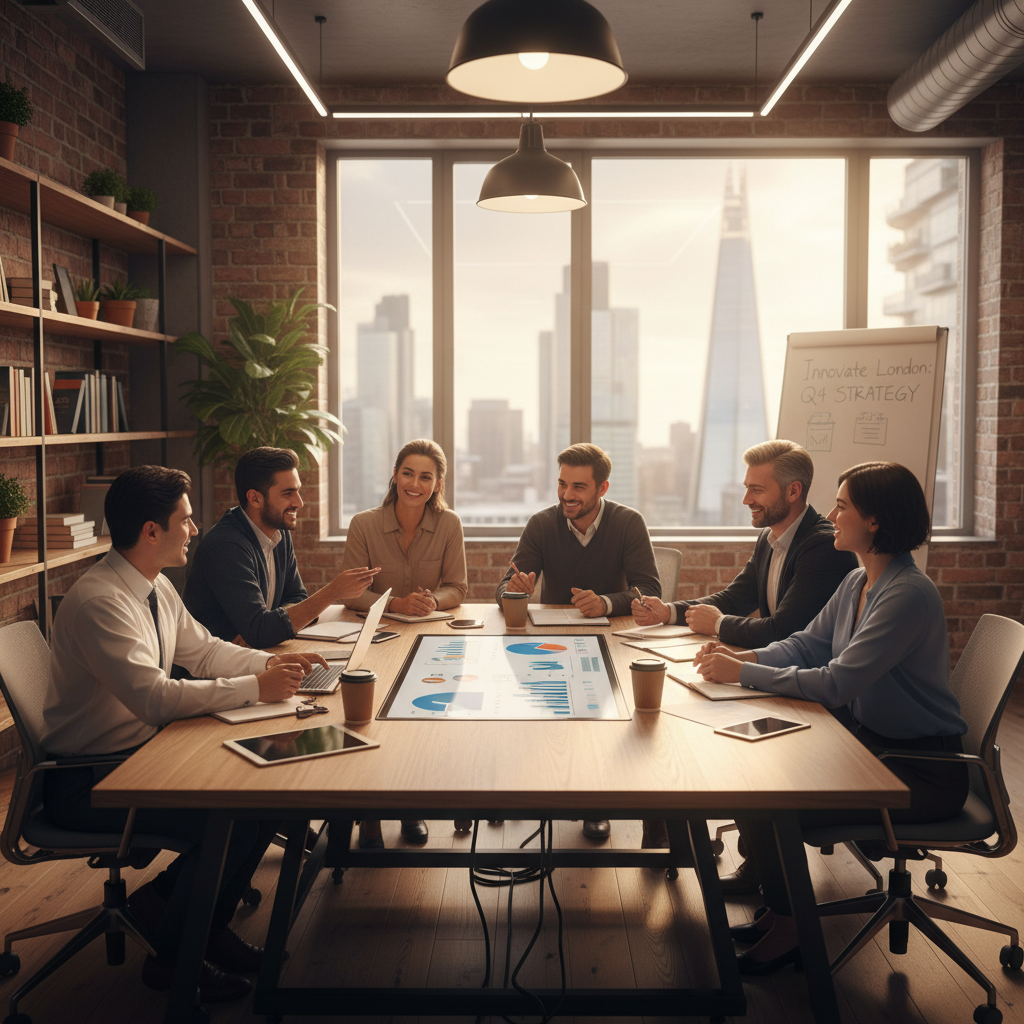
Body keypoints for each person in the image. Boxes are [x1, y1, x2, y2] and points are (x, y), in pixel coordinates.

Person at [41, 466, 325, 1002]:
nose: (195, 530)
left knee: (264, 802)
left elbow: (207, 651)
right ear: (152, 531)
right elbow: (154, 697)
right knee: (232, 814)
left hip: (138, 754)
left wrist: (273, 664)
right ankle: (174, 959)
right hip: (90, 780)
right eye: (186, 520)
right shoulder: (103, 601)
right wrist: (255, 689)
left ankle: (198, 929)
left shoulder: (155, 587)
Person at [692, 462, 968, 976]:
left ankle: (795, 929)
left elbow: (837, 680)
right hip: (871, 747)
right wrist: (743, 661)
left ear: (876, 521)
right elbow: (805, 644)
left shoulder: (906, 593)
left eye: (843, 506)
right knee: (750, 776)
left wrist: (743, 675)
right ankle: (781, 914)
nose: (832, 515)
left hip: (919, 770)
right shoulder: (859, 580)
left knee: (774, 802)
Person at [631, 439, 857, 882]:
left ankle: (760, 863)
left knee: (705, 721)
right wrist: (672, 612)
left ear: (792, 492)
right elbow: (738, 597)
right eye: (745, 487)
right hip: (782, 668)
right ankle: (746, 852)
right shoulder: (771, 538)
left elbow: (785, 629)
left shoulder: (821, 547)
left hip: (812, 691)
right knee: (692, 702)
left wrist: (720, 630)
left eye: (757, 489)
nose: (745, 499)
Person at [496, 442, 660, 842]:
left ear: (602, 489)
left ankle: (595, 806)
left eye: (579, 487)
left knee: (603, 722)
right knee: (533, 710)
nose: (567, 495)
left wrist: (605, 602)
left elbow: (649, 589)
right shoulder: (541, 524)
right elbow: (504, 589)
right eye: (562, 484)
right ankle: (529, 793)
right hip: (555, 639)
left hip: (612, 639)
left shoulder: (628, 522)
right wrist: (515, 590)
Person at [340, 438, 468, 848]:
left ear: (438, 484)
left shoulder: (449, 524)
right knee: (372, 721)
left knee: (421, 720)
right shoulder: (364, 524)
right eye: (408, 473)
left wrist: (433, 600)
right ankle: (370, 814)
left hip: (432, 637)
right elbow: (350, 594)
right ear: (394, 476)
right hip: (378, 637)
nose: (415, 483)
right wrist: (395, 602)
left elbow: (457, 588)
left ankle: (412, 807)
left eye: (425, 477)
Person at [183, 446, 380, 649]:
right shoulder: (226, 547)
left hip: (257, 656)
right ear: (255, 498)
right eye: (287, 494)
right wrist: (332, 592)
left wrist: (268, 627)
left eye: (298, 491)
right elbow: (262, 631)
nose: (299, 502)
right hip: (215, 674)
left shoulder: (278, 531)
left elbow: (296, 598)